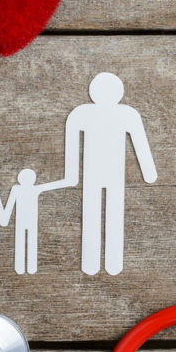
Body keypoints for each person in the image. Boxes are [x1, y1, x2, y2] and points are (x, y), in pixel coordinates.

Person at [62, 72, 157, 275]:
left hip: (108, 172)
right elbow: (72, 142)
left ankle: (106, 263)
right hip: (99, 172)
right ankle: (98, 263)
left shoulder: (117, 114)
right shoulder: (85, 113)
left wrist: (71, 175)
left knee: (103, 212)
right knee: (100, 212)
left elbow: (140, 143)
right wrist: (148, 173)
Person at [2, 169, 68, 274]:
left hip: (27, 220)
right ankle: (26, 268)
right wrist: (4, 218)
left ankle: (26, 268)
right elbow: (10, 204)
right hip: (24, 220)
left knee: (25, 241)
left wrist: (4, 219)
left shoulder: (26, 189)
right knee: (26, 241)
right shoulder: (23, 189)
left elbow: (9, 205)